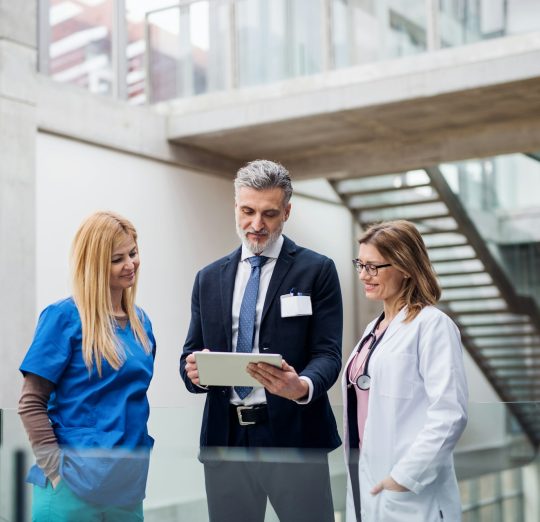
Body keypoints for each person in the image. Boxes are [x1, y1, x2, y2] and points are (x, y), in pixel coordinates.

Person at [180, 159, 342, 522]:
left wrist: (301, 386)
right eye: (247, 211)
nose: (256, 225)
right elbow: (190, 353)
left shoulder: (317, 270)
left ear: (287, 211)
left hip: (295, 438)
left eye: (269, 214)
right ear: (235, 206)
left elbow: (328, 353)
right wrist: (194, 370)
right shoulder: (208, 278)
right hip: (226, 440)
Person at [18, 211, 156, 521]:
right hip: (70, 489)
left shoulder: (141, 324)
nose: (130, 264)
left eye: (133, 253)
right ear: (94, 265)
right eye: (117, 259)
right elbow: (30, 403)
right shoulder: (63, 317)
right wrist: (55, 470)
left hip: (127, 487)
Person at [342, 220, 468, 521]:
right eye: (360, 264)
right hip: (364, 479)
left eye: (373, 267)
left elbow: (450, 414)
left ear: (407, 267)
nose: (363, 275)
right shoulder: (375, 328)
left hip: (408, 489)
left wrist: (404, 478)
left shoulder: (433, 325)